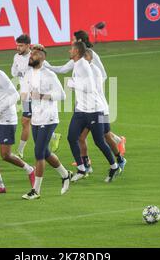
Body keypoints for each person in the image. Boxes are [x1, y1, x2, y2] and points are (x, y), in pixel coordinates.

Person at [44, 30, 126, 166]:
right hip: (84, 106)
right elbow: (63, 69)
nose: (71, 42)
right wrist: (45, 64)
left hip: (98, 104)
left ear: (80, 42)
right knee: (84, 136)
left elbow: (103, 76)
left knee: (104, 135)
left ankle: (118, 153)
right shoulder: (78, 60)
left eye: (73, 40)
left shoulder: (91, 57)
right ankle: (86, 162)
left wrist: (90, 87)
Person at [66, 41, 123, 183]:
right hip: (83, 109)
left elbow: (90, 88)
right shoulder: (78, 66)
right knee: (75, 137)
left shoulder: (88, 68)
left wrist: (72, 84)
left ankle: (116, 164)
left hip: (97, 109)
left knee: (101, 139)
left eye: (71, 49)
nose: (69, 51)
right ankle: (83, 167)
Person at [20, 45, 71, 200]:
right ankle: (65, 174)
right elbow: (26, 93)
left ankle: (36, 190)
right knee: (46, 152)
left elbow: (62, 95)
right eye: (30, 55)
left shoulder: (49, 75)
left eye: (34, 55)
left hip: (49, 118)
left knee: (39, 153)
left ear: (42, 58)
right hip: (36, 117)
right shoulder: (28, 74)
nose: (30, 56)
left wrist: (42, 96)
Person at [0, 52, 35, 194]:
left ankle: (29, 169)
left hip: (7, 120)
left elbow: (15, 95)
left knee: (5, 155)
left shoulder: (1, 76)